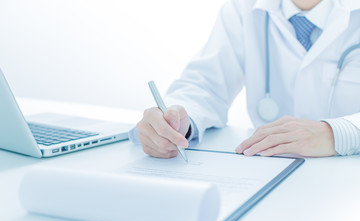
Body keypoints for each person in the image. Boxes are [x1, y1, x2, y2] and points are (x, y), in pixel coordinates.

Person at [129, 0, 360, 158]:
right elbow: (205, 83)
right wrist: (175, 122)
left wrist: (338, 134)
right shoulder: (244, 7)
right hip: (270, 175)